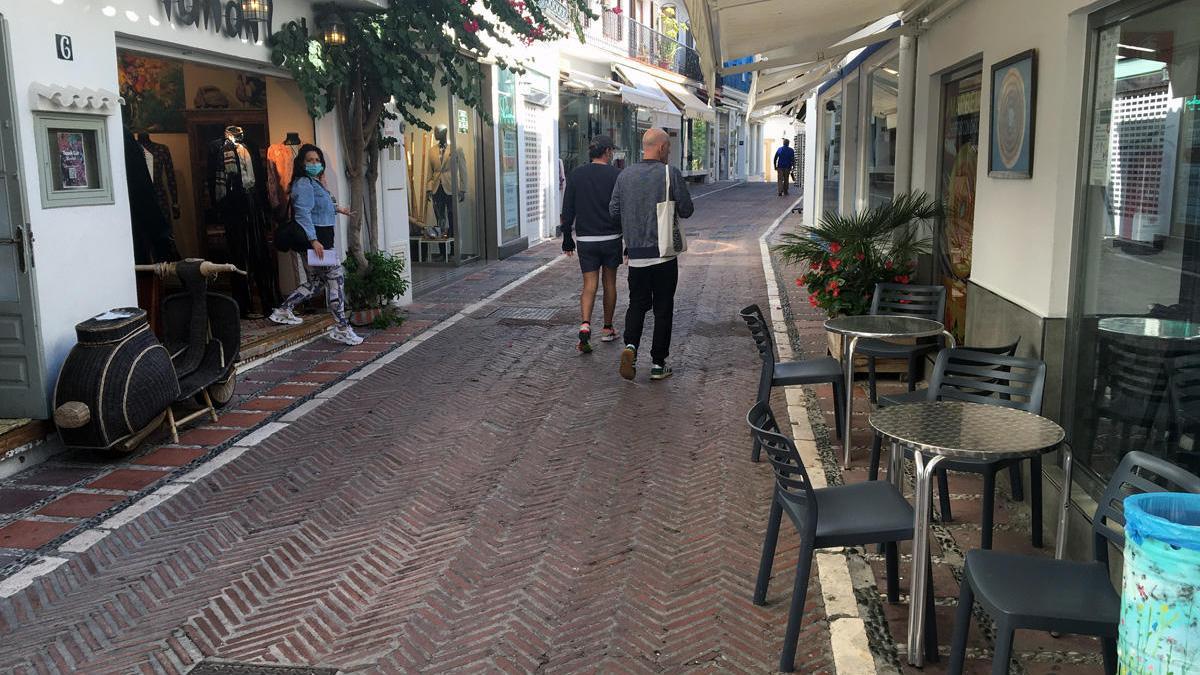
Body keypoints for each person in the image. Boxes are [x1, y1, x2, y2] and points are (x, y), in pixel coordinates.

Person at [609, 128, 694, 381]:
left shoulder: (624, 176)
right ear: (660, 147)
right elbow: (687, 209)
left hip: (636, 255)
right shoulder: (670, 173)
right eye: (668, 147)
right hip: (664, 255)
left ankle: (631, 347)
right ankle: (658, 364)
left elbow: (614, 211)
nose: (669, 152)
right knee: (663, 308)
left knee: (637, 303)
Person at [267, 144, 363, 346]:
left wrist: (339, 209)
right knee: (336, 277)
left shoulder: (314, 182)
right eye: (309, 160)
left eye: (317, 160)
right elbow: (303, 213)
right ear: (302, 163)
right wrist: (314, 241)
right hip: (316, 240)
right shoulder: (303, 183)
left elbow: (319, 207)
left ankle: (284, 310)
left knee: (315, 282)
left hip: (320, 238)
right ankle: (341, 328)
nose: (314, 163)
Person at [561, 135, 623, 353]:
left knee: (589, 285)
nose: (613, 154)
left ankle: (585, 324)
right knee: (609, 283)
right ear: (606, 152)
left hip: (586, 239)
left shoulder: (577, 175)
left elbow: (567, 209)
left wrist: (567, 238)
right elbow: (623, 208)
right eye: (611, 151)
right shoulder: (617, 175)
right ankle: (607, 329)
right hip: (611, 237)